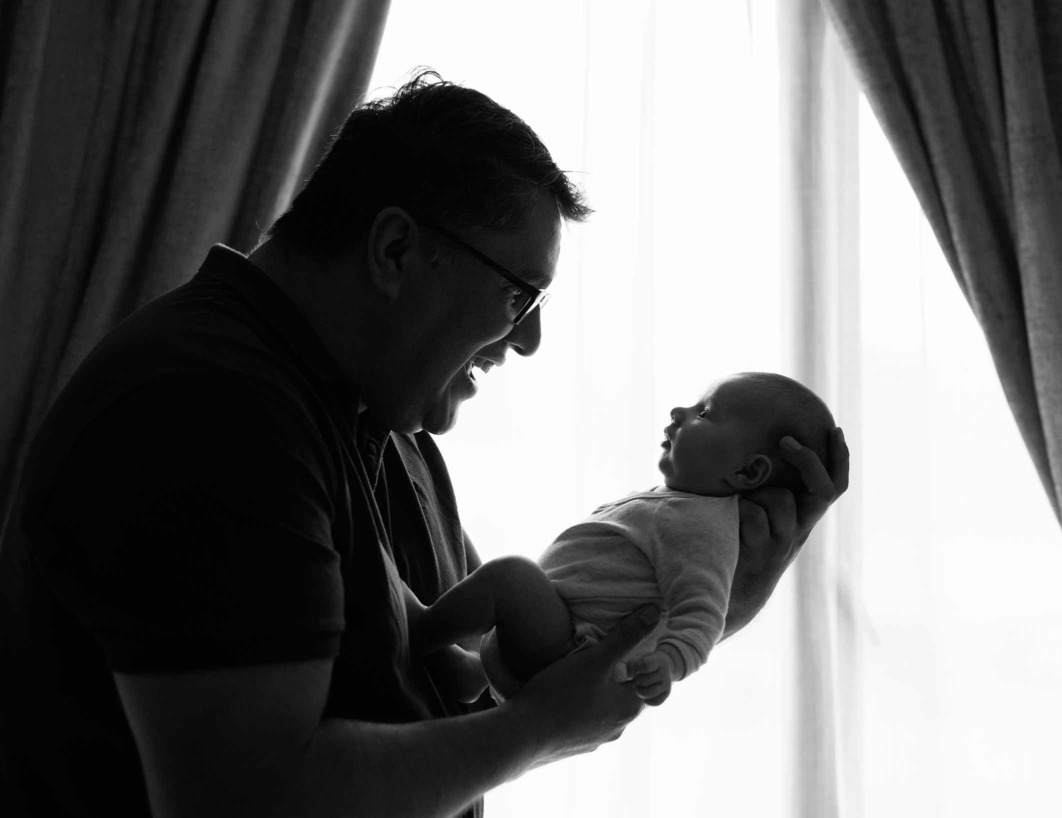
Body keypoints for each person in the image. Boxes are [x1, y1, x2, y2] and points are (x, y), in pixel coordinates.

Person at [0, 71, 849, 818]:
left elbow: (461, 679)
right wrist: (534, 733)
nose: (529, 342)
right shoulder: (206, 410)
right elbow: (247, 799)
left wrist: (701, 607)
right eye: (521, 296)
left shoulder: (384, 428)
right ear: (397, 248)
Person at [413, 372, 836, 706]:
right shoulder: (679, 506)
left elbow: (703, 613)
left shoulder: (704, 531)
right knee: (510, 584)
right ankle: (474, 676)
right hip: (560, 636)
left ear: (747, 473)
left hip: (573, 647)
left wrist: (670, 663)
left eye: (705, 413)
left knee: (511, 578)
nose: (678, 411)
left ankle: (417, 630)